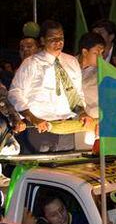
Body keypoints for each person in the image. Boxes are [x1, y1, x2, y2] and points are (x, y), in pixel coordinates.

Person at [8, 20, 93, 153]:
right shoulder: (31, 63)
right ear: (42, 40)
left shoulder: (72, 61)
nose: (58, 42)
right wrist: (33, 118)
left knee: (65, 170)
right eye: (53, 39)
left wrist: (82, 112)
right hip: (40, 129)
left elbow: (76, 94)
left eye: (61, 38)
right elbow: (15, 93)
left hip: (67, 127)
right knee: (41, 170)